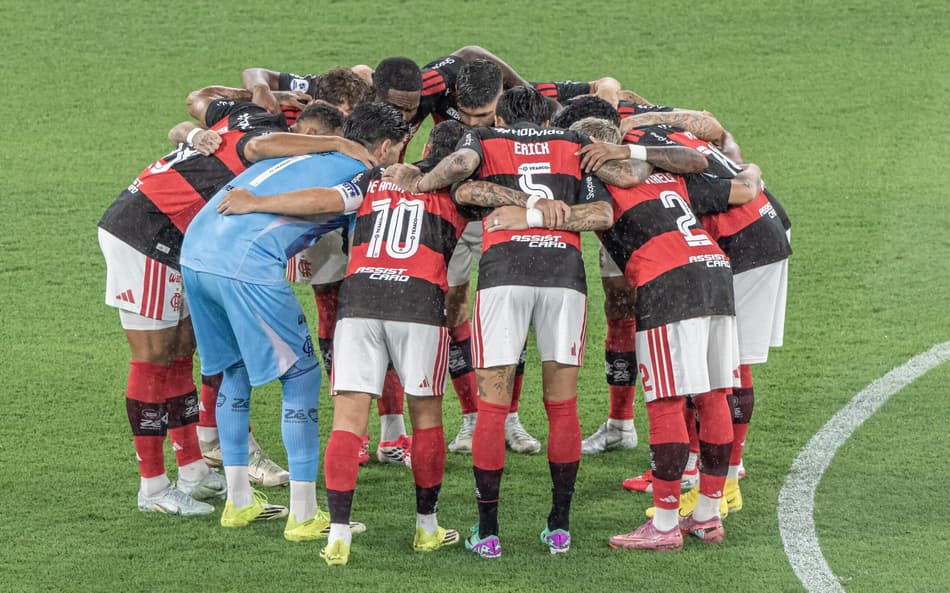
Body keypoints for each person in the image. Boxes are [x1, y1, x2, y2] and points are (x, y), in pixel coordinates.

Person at [383, 87, 652, 557]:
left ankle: (488, 531)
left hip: (504, 277)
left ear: (501, 119)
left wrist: (429, 183)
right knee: (562, 408)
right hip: (563, 281)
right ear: (546, 121)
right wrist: (549, 213)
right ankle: (560, 527)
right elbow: (605, 211)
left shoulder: (484, 138)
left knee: (493, 407)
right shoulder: (571, 142)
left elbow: (462, 177)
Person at [97, 91, 375, 514]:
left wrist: (191, 129)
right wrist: (337, 146)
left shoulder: (243, 111)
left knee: (180, 354)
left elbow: (193, 105)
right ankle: (152, 488)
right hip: (148, 228)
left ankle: (193, 470)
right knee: (153, 360)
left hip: (184, 241)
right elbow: (258, 146)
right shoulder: (271, 138)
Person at [217, 120, 470, 566]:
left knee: (348, 420)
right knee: (426, 415)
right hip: (418, 304)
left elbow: (322, 201)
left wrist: (257, 202)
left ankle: (337, 534)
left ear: (427, 146)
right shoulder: (460, 193)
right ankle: (427, 530)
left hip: (359, 302)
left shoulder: (373, 180)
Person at [179, 102, 408, 540]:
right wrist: (257, 205)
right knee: (301, 377)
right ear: (383, 148)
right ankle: (303, 515)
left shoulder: (309, 150)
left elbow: (261, 152)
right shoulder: (365, 173)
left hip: (196, 251)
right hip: (243, 262)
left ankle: (238, 501)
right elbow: (328, 200)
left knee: (234, 369)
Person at [586, 124, 763, 550]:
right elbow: (712, 171)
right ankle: (706, 516)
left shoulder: (591, 176)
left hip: (669, 279)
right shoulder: (667, 171)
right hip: (715, 270)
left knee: (666, 400)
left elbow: (596, 214)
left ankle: (664, 525)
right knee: (714, 394)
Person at [619, 123, 792, 512]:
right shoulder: (661, 127)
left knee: (723, 369)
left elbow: (735, 186)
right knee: (726, 366)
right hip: (765, 225)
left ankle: (721, 479)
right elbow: (715, 132)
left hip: (743, 242)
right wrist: (751, 168)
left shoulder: (643, 158)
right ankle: (714, 474)